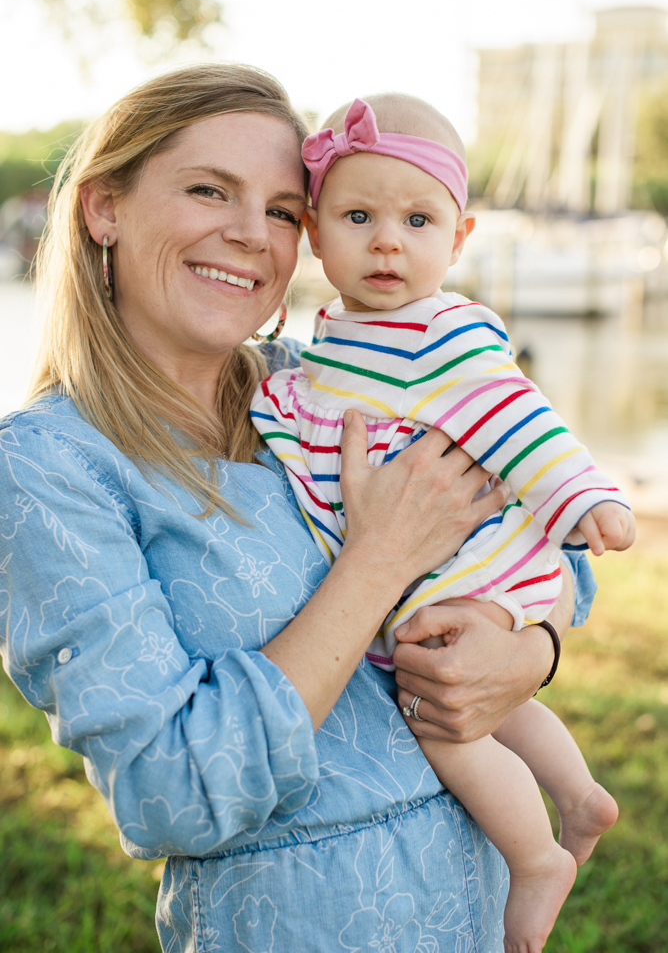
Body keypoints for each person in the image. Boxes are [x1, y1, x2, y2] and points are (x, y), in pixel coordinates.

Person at [0, 64, 596, 953]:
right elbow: (174, 792)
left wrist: (526, 651)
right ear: (104, 209)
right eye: (210, 190)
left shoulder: (319, 391)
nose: (250, 235)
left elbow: (558, 554)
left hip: (473, 906)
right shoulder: (50, 465)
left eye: (283, 209)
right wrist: (381, 560)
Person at [251, 94, 632, 953]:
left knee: (435, 710)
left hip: (469, 561)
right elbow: (312, 406)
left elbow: (520, 418)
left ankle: (534, 856)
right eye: (359, 216)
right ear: (315, 231)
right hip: (444, 562)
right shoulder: (342, 335)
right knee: (479, 698)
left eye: (418, 220)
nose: (388, 240)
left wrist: (586, 496)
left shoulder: (441, 331)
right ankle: (577, 794)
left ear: (458, 239)